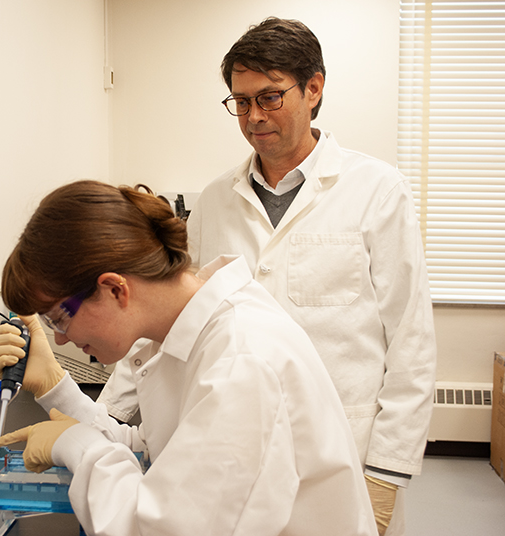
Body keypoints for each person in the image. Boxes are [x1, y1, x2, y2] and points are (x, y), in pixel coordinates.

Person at [97, 17, 437, 536]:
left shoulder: (378, 190)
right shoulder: (216, 200)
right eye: (241, 101)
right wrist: (104, 421)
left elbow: (412, 341)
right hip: (234, 452)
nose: (254, 116)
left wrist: (387, 473)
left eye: (270, 97)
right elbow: (168, 319)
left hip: (346, 452)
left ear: (313, 88)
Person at [0, 180, 376, 536]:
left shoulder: (240, 360)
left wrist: (75, 444)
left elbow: (157, 528)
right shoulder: (197, 333)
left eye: (58, 317)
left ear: (114, 289)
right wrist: (56, 388)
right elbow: (161, 452)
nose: (60, 337)